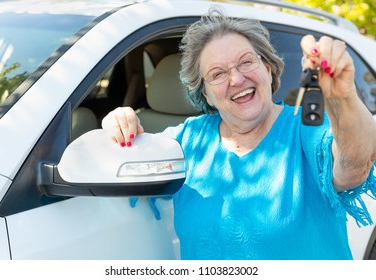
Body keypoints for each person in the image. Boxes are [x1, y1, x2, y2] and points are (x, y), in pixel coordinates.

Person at [102, 7, 376, 259]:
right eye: (218, 74)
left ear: (267, 68)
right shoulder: (188, 140)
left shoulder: (305, 127)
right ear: (205, 94)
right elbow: (123, 160)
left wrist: (344, 98)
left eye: (246, 62)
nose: (236, 79)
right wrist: (115, 127)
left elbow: (353, 167)